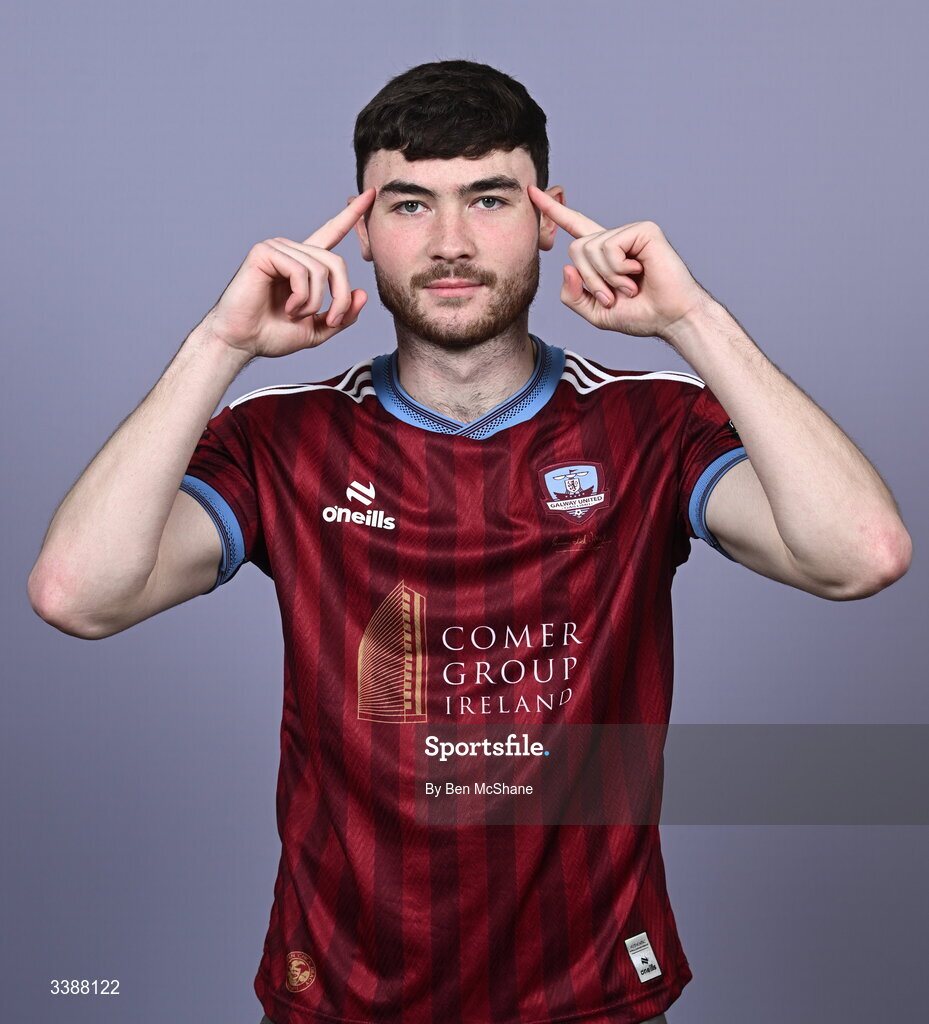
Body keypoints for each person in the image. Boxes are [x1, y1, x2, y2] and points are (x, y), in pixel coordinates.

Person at [28, 59, 911, 1024]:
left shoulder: (651, 425)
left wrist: (693, 322)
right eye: (407, 205)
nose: (450, 242)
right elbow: (79, 595)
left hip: (591, 994)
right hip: (342, 994)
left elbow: (859, 556)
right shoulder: (281, 437)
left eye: (488, 198)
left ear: (546, 216)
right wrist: (219, 346)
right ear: (361, 231)